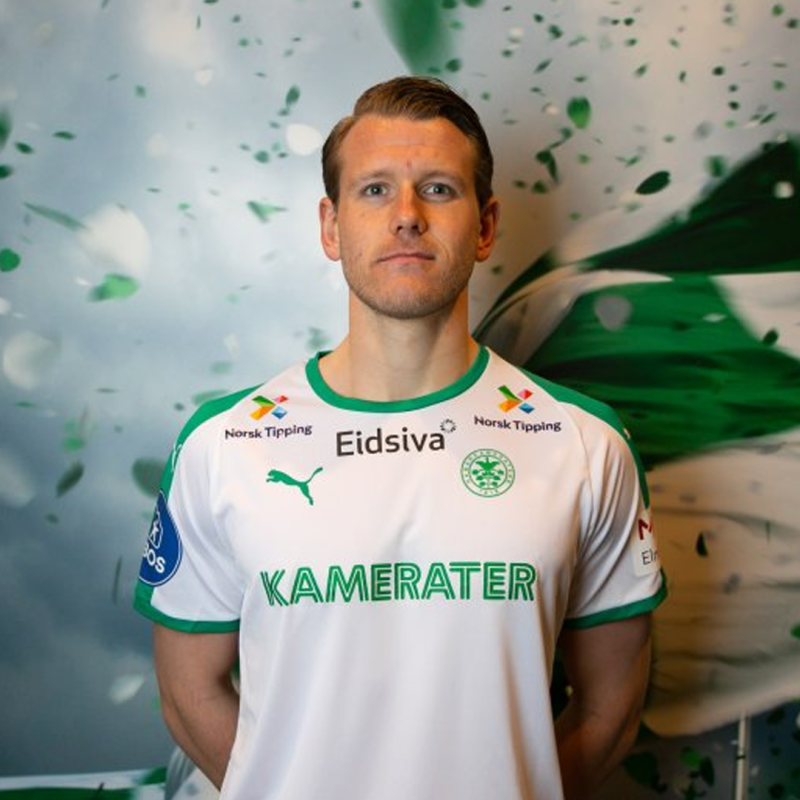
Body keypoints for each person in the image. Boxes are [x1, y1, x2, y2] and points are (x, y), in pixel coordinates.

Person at [134, 76, 666, 800]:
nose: (407, 216)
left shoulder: (585, 443)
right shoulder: (223, 445)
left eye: (438, 189)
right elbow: (187, 694)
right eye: (375, 190)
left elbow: (611, 707)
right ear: (331, 226)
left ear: (485, 226)